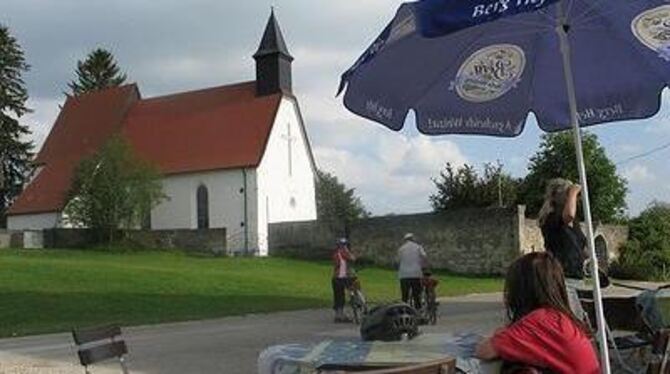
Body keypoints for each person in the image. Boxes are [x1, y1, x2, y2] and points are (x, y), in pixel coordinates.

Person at [475, 252, 599, 374]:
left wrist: (500, 334)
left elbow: (484, 351)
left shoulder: (538, 321)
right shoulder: (559, 318)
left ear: (521, 290)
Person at [538, 178, 587, 280]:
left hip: (577, 276)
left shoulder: (574, 223)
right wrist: (573, 192)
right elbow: (569, 215)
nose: (573, 198)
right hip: (560, 276)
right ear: (556, 197)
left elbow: (577, 246)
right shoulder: (551, 217)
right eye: (567, 194)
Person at [397, 233, 427, 309]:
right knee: (416, 295)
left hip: (404, 275)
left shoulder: (401, 248)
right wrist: (423, 266)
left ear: (405, 240)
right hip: (415, 274)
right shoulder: (418, 247)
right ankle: (418, 311)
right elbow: (424, 256)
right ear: (413, 239)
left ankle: (404, 310)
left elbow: (398, 260)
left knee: (404, 296)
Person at [332, 237, 355, 323]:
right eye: (344, 245)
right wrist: (349, 252)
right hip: (343, 277)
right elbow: (353, 258)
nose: (345, 246)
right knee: (352, 288)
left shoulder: (335, 254)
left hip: (335, 278)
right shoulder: (344, 252)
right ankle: (356, 302)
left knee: (338, 296)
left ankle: (338, 315)